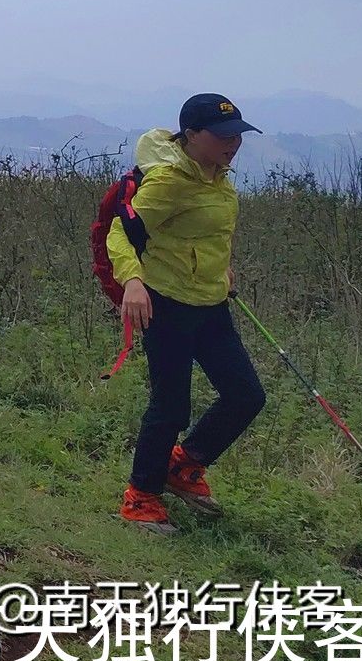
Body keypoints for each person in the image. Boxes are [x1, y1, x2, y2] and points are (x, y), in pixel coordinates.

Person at [106, 93, 267, 533]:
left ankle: (184, 466)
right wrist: (134, 283)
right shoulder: (171, 181)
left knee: (246, 395)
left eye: (237, 135)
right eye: (221, 137)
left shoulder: (218, 176)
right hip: (168, 305)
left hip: (211, 304)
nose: (232, 144)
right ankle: (140, 498)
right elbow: (120, 234)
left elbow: (210, 232)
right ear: (192, 136)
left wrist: (221, 267)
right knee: (170, 408)